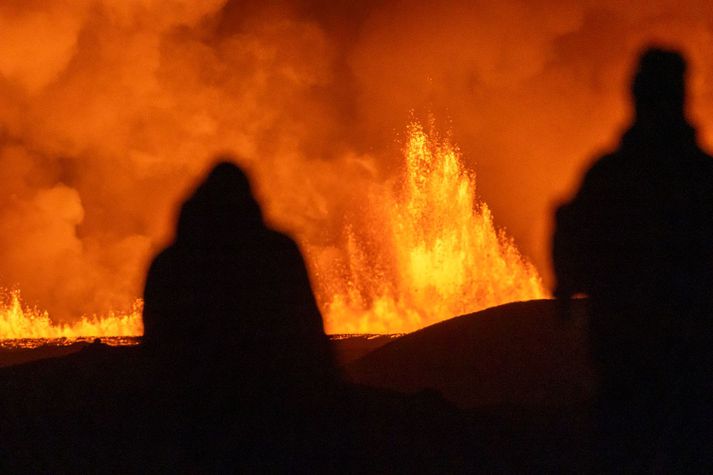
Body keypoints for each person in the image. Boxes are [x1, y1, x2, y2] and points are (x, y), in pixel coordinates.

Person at [553, 47, 713, 471]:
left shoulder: (610, 175)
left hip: (631, 365)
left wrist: (568, 295)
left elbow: (571, 237)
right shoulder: (702, 177)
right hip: (688, 369)